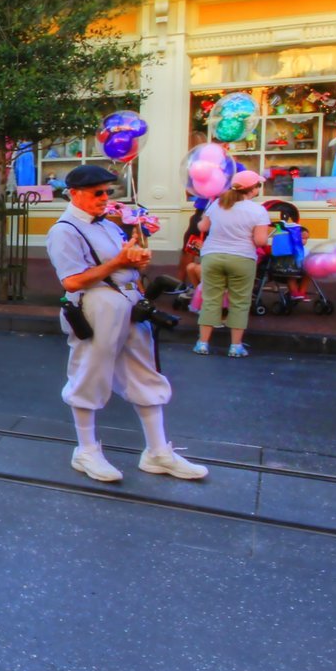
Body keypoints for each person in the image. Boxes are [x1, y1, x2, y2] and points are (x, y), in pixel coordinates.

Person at [46, 165, 206, 484]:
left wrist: (135, 261)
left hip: (130, 303)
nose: (105, 198)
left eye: (108, 192)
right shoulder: (64, 230)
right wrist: (118, 263)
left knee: (144, 373)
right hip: (97, 306)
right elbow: (72, 281)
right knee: (90, 372)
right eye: (98, 193)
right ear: (74, 194)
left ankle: (158, 451)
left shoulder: (107, 225)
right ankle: (87, 450)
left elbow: (120, 261)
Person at [192, 169, 270, 358]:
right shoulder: (258, 211)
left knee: (211, 300)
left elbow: (202, 227)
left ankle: (202, 343)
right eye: (258, 186)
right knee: (240, 302)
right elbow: (260, 241)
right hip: (242, 258)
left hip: (212, 256)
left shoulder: (218, 204)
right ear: (252, 189)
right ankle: (235, 346)